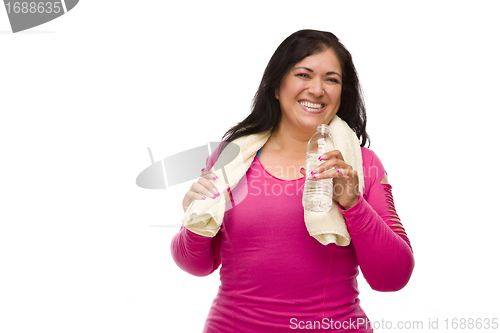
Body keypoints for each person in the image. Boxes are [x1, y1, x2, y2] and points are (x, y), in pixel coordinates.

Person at [171, 29, 414, 332]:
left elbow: (393, 277)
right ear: (276, 86)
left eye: (331, 79)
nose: (317, 89)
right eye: (304, 74)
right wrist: (194, 221)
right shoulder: (229, 160)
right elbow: (196, 264)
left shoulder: (362, 166)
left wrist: (354, 204)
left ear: (342, 93)